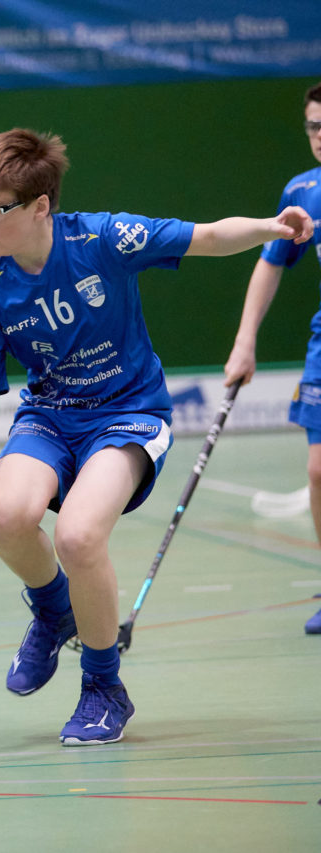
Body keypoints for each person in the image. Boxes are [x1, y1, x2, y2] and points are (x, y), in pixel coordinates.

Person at [0, 128, 313, 746]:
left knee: (79, 535)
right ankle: (55, 609)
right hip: (52, 416)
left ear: (40, 205)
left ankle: (104, 687)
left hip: (128, 413)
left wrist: (273, 227)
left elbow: (208, 236)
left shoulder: (104, 238)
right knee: (3, 516)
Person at [223, 80, 321, 635]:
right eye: (313, 125)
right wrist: (245, 339)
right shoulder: (304, 191)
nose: (319, 136)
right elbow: (272, 262)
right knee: (318, 469)